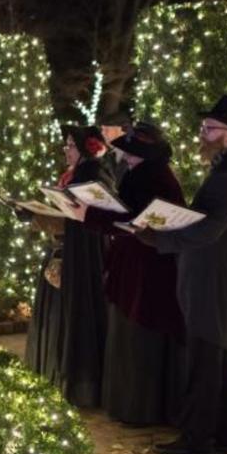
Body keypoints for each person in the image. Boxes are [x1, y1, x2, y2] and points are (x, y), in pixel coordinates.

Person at [138, 95, 227, 454]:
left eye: (210, 129)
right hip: (222, 278)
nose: (202, 135)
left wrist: (158, 236)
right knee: (221, 360)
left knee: (204, 361)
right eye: (203, 128)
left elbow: (209, 229)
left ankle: (196, 439)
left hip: (213, 282)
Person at [81, 122, 187, 425]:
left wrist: (89, 214)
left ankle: (141, 406)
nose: (126, 158)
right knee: (130, 333)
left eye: (132, 154)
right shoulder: (144, 174)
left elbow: (135, 219)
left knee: (140, 335)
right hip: (136, 264)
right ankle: (131, 404)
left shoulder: (154, 177)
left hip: (148, 268)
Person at [24, 125, 114, 408]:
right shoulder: (74, 174)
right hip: (64, 252)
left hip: (81, 258)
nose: (66, 150)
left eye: (70, 145)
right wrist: (33, 214)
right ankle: (53, 375)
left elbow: (93, 217)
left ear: (85, 148)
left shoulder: (93, 174)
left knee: (78, 317)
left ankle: (77, 383)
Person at [98, 109, 133, 184]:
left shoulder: (137, 157)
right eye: (102, 130)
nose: (102, 133)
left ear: (122, 130)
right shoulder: (105, 156)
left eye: (107, 130)